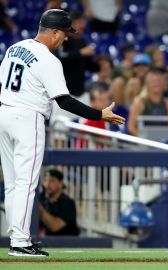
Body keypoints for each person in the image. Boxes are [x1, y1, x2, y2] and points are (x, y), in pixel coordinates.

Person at [0, 9, 125, 257]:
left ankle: (17, 238)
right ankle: (20, 242)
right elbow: (65, 102)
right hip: (28, 117)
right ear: (54, 31)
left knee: (13, 184)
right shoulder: (48, 60)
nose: (66, 38)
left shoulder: (14, 48)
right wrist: (100, 115)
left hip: (4, 113)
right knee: (26, 183)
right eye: (65, 33)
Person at [128, 70, 168, 136]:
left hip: (164, 141)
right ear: (147, 84)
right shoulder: (139, 101)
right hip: (145, 142)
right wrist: (143, 139)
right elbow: (131, 127)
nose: (156, 84)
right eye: (153, 81)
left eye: (159, 81)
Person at [39, 169, 79, 236]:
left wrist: (38, 208)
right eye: (45, 180)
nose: (47, 184)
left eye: (52, 181)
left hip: (65, 244)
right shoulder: (43, 200)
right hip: (47, 243)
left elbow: (55, 226)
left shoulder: (68, 203)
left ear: (61, 184)